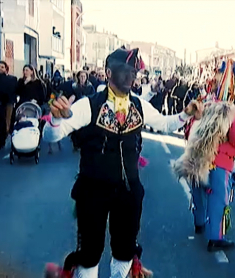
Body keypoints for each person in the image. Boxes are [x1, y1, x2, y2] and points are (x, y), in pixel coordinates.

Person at [42, 48, 203, 278]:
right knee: (89, 254)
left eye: (134, 72)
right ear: (109, 73)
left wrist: (186, 115)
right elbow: (52, 136)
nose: (131, 77)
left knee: (124, 252)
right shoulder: (89, 105)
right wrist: (56, 121)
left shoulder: (139, 105)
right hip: (93, 190)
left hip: (128, 190)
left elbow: (164, 123)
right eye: (125, 71)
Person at [174, 73, 235, 252]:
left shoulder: (204, 105)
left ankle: (199, 223)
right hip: (219, 163)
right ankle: (215, 237)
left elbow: (188, 131)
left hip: (196, 157)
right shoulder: (231, 111)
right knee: (218, 198)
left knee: (199, 192)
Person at [0, 61, 18, 149]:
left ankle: (6, 135)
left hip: (9, 103)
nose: (0, 68)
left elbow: (15, 90)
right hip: (2, 103)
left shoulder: (12, 79)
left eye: (2, 67)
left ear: (6, 69)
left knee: (7, 121)